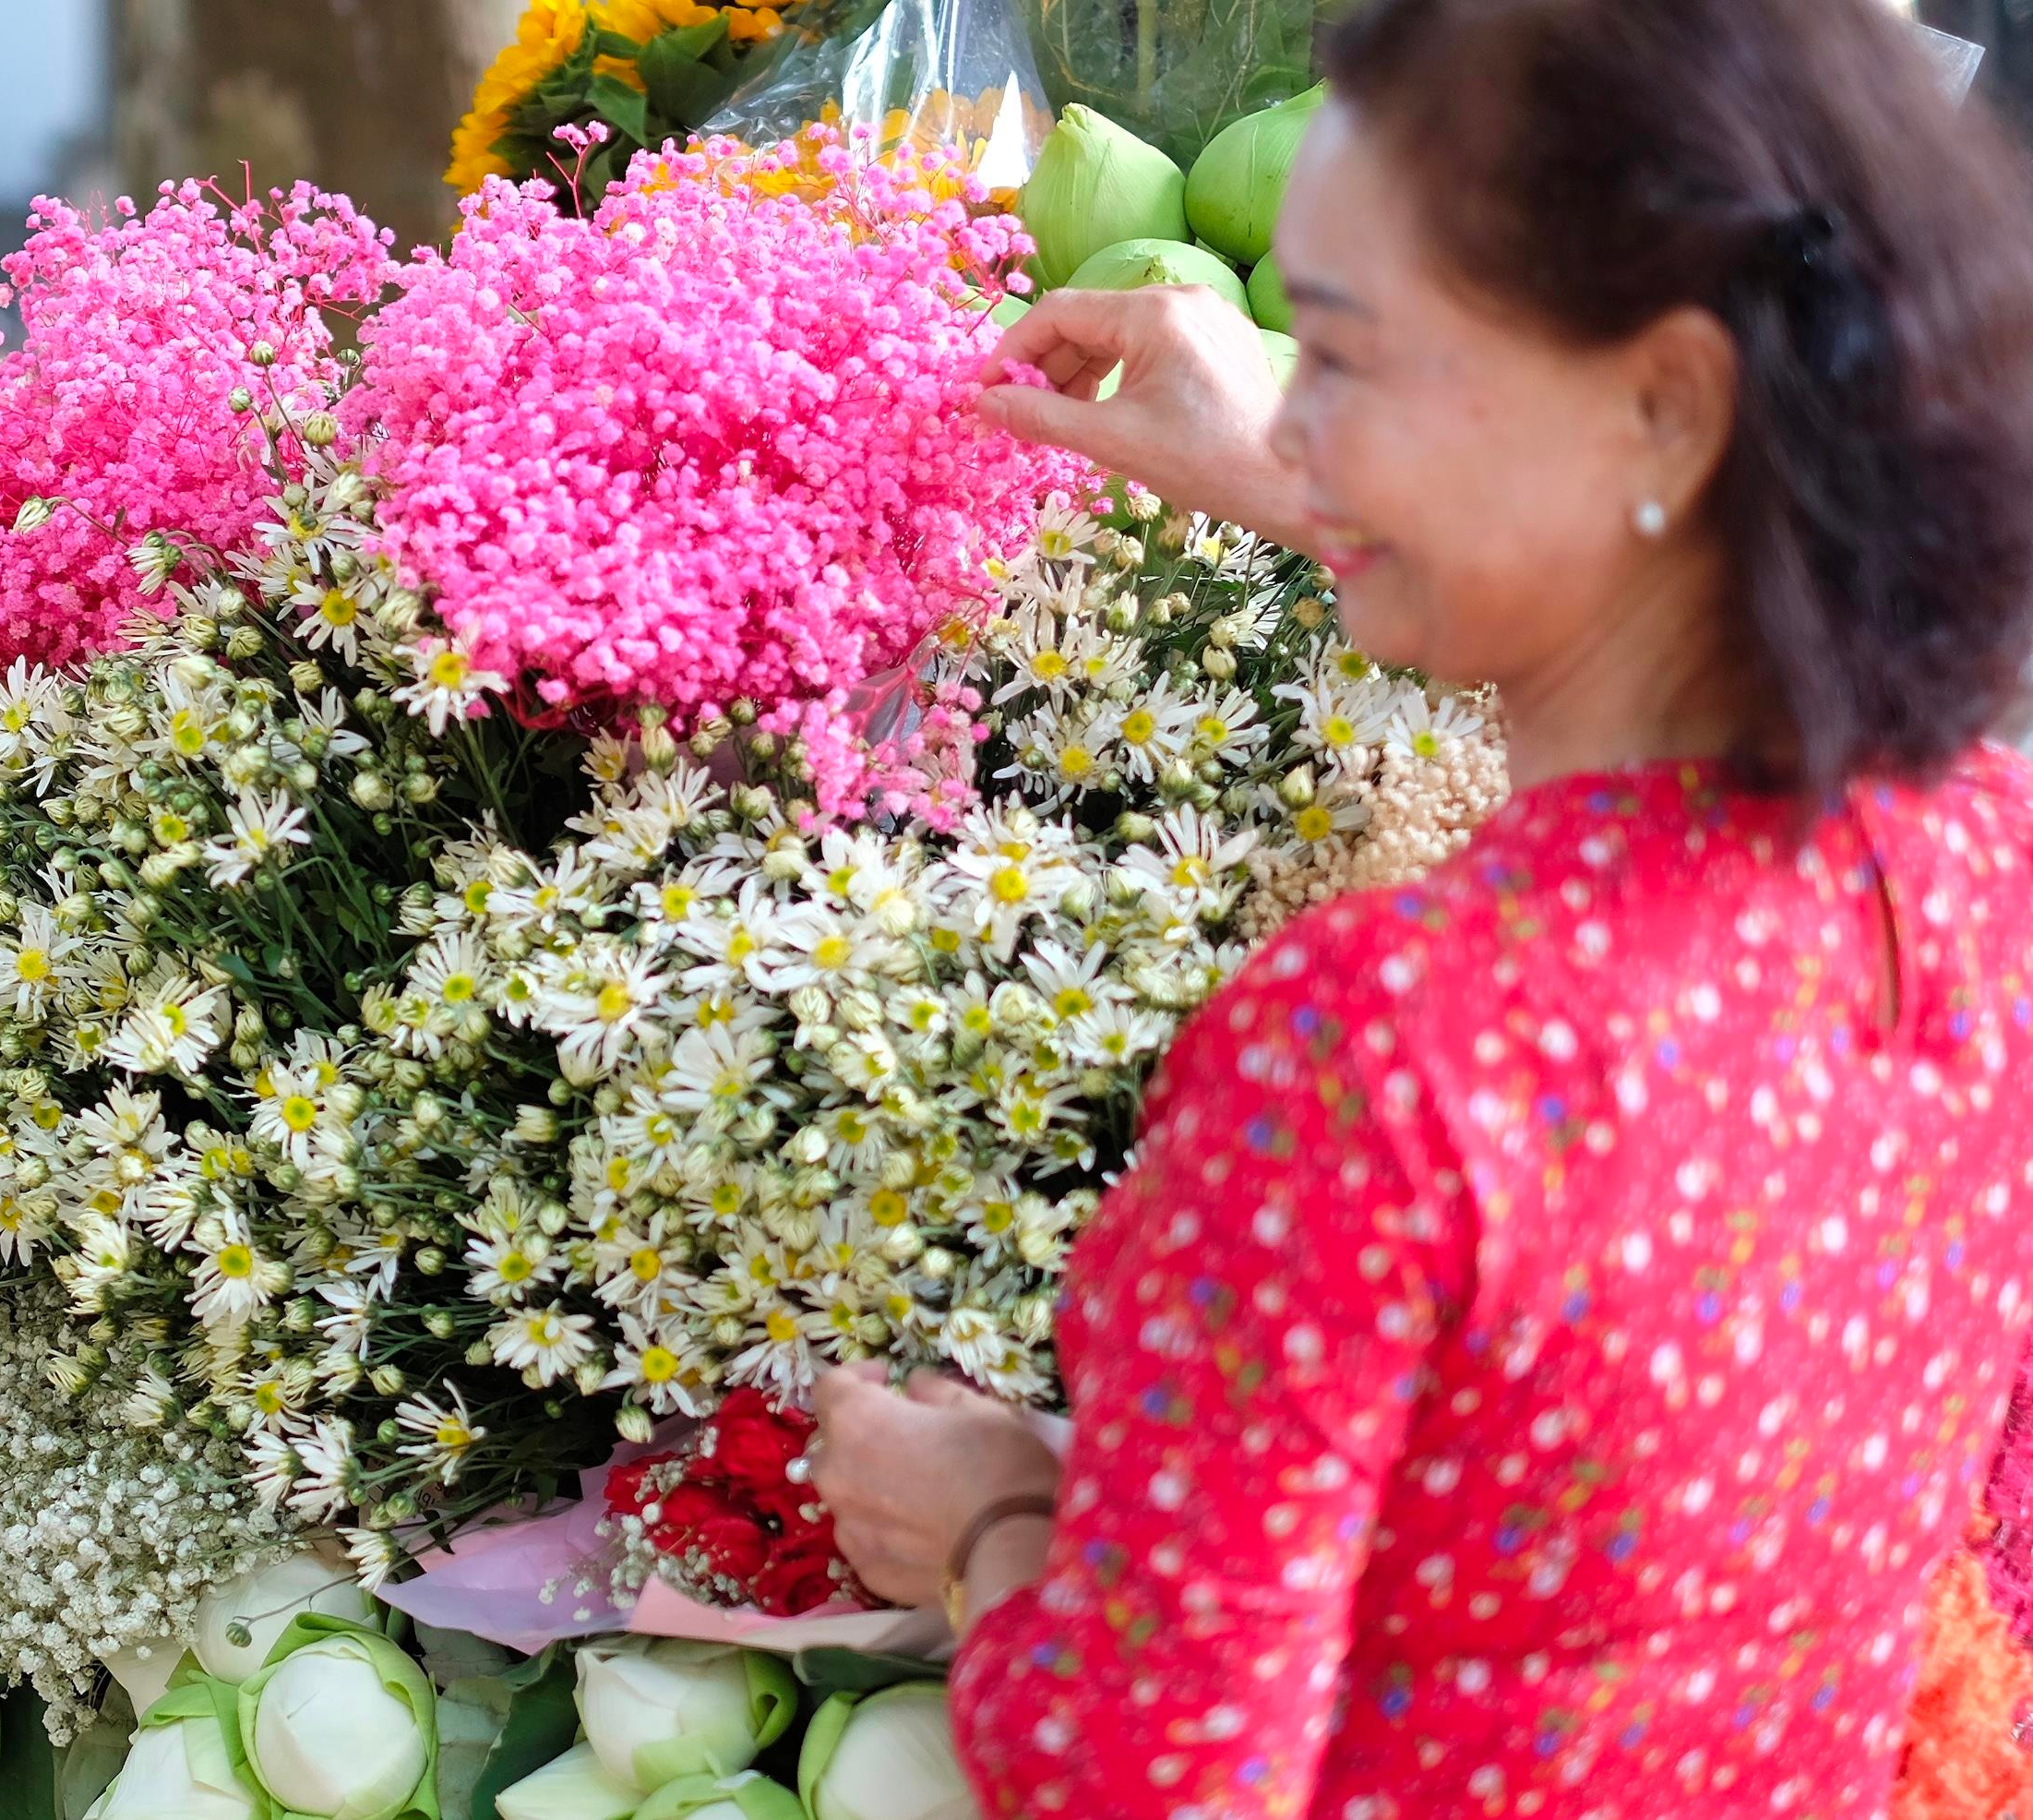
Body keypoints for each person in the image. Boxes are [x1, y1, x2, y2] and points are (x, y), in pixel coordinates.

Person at [806, 2, 2033, 1815]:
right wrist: (1321, 478)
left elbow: (1151, 1781)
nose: (1297, 407)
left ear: (1670, 401)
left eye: (1349, 359)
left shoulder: (1382, 1045)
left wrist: (994, 1516)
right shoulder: (1975, 868)